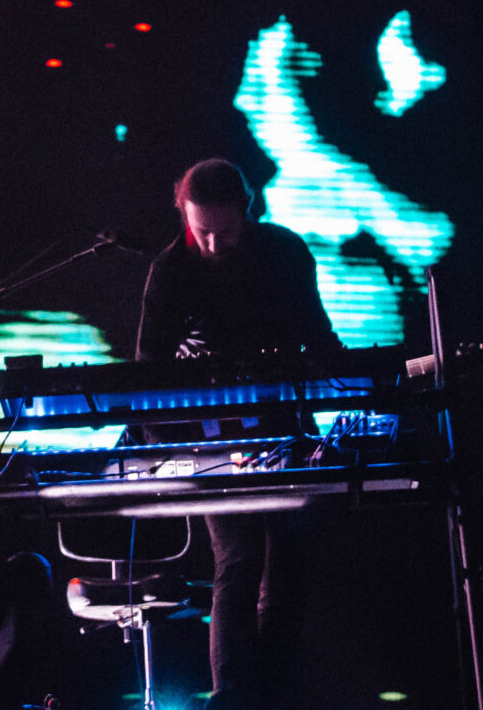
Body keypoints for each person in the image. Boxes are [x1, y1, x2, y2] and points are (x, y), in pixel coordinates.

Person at [135, 158, 343, 710]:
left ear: (247, 213)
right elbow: (147, 370)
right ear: (183, 214)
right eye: (200, 231)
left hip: (284, 428)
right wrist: (169, 447)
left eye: (223, 232)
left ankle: (265, 696)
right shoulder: (169, 270)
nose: (211, 244)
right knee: (238, 562)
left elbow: (318, 334)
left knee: (290, 569)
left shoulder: (285, 252)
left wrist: (361, 379)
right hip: (209, 441)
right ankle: (232, 698)